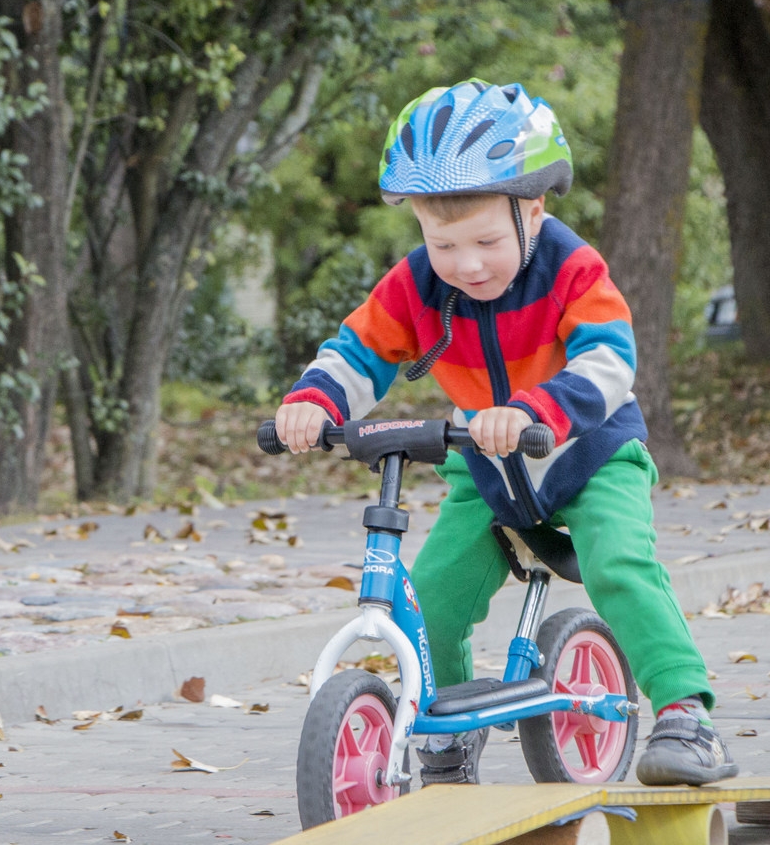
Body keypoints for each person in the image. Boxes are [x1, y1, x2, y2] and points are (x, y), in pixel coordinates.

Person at [273, 79, 737, 788]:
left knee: (619, 566)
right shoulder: (418, 285)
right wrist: (315, 398)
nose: (467, 264)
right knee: (428, 600)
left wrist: (537, 411)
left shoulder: (571, 269)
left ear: (534, 210)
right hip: (483, 470)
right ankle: (442, 733)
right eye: (443, 242)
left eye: (487, 240)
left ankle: (685, 713)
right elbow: (360, 349)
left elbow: (610, 359)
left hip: (589, 453)